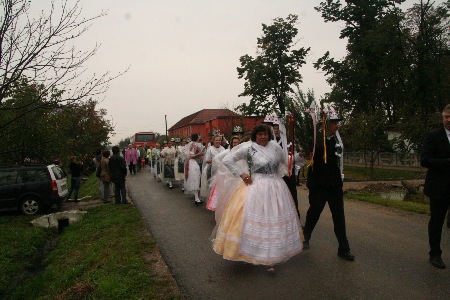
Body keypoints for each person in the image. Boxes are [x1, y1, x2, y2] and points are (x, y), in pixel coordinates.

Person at [211, 124, 302, 271]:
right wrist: (241, 173)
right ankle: (254, 252)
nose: (263, 137)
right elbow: (227, 159)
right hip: (255, 186)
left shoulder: (275, 147)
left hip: (276, 187)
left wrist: (300, 156)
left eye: (265, 134)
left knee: (273, 220)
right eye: (260, 134)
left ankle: (271, 257)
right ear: (255, 135)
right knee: (256, 220)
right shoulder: (248, 148)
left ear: (269, 135)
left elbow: (287, 162)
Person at [302, 110, 355, 261]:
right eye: (334, 123)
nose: (336, 126)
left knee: (339, 216)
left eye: (337, 123)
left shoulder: (337, 141)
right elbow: (310, 160)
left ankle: (343, 248)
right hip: (319, 185)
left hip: (335, 185)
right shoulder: (315, 141)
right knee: (314, 212)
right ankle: (306, 235)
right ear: (325, 124)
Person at [420, 104, 450, 269]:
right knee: (437, 222)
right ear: (442, 118)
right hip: (439, 188)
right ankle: (435, 254)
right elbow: (424, 160)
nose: (449, 120)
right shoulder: (433, 136)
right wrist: (447, 163)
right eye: (446, 117)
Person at [206, 135, 240, 211]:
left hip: (237, 176)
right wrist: (222, 168)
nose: (236, 144)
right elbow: (216, 159)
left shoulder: (241, 152)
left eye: (237, 142)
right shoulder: (227, 151)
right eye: (234, 142)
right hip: (226, 175)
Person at [200, 135, 226, 200]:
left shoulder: (223, 149)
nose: (218, 141)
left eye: (219, 140)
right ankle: (212, 200)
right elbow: (207, 160)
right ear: (213, 141)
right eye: (216, 140)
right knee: (212, 186)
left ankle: (219, 199)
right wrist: (214, 160)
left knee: (220, 185)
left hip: (221, 170)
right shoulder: (210, 149)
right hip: (211, 170)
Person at [184, 133, 204, 204]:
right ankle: (197, 198)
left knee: (196, 179)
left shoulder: (192, 144)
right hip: (194, 162)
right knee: (196, 179)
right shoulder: (194, 145)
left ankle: (197, 197)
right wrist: (200, 154)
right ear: (197, 138)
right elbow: (192, 155)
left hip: (193, 162)